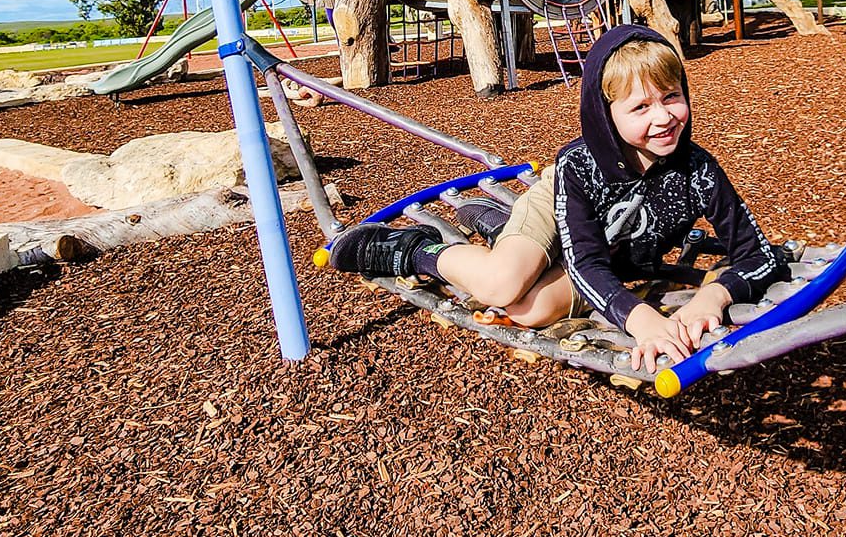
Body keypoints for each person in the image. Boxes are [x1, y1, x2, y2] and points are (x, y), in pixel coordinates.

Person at [328, 23, 788, 371]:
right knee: (501, 284)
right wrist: (639, 317)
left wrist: (713, 298)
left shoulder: (696, 169)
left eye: (671, 97)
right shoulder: (579, 165)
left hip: (617, 248)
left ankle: (495, 226)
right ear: (605, 115)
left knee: (529, 310)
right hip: (556, 210)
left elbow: (759, 255)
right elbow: (587, 265)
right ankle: (415, 249)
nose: (665, 117)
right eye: (641, 107)